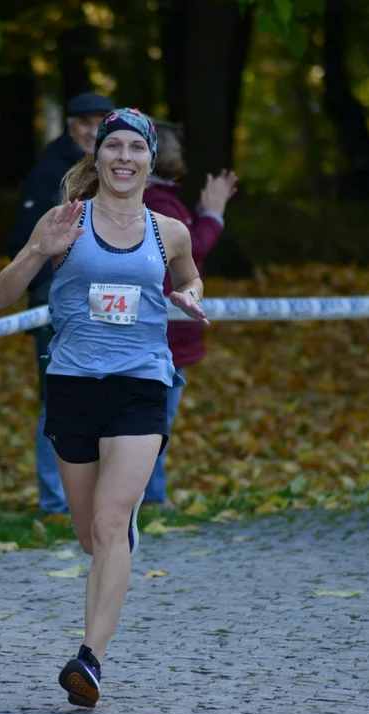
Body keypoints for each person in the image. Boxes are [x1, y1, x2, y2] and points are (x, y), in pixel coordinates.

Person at [0, 109, 208, 707]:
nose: (123, 157)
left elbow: (190, 277)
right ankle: (119, 532)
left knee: (112, 525)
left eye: (135, 148)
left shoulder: (170, 232)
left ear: (149, 161)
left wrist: (188, 298)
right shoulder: (64, 221)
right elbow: (1, 295)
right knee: (92, 536)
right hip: (72, 387)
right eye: (112, 145)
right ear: (98, 157)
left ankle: (90, 661)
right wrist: (38, 250)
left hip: (141, 385)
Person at [8, 91, 114, 516]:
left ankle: (101, 495)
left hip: (106, 302)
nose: (92, 131)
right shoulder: (47, 173)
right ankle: (55, 502)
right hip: (55, 306)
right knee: (59, 399)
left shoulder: (115, 170)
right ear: (70, 125)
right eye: (85, 122)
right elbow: (23, 245)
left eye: (100, 122)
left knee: (107, 395)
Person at [141, 122, 237, 506]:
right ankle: (151, 496)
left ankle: (150, 494)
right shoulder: (159, 201)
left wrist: (201, 212)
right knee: (155, 420)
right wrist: (213, 215)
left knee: (156, 418)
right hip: (164, 334)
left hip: (171, 331)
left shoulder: (163, 199)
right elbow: (190, 247)